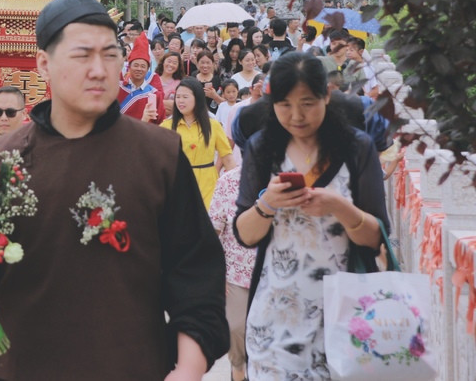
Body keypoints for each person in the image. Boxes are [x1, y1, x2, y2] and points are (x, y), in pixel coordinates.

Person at [0, 0, 228, 380]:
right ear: (44, 64)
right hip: (20, 368)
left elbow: (196, 271)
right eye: (82, 55)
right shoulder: (1, 159)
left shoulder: (158, 154)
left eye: (110, 55)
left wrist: (190, 368)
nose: (99, 70)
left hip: (131, 365)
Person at [233, 52, 388, 380]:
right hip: (275, 321)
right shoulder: (262, 148)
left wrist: (339, 207)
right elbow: (244, 235)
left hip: (347, 319)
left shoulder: (356, 147)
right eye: (284, 105)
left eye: (307, 103)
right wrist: (267, 204)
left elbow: (377, 237)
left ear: (327, 96)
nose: (296, 115)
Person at [208, 164, 256, 381]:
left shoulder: (284, 179)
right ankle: (238, 371)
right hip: (235, 274)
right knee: (235, 327)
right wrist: (214, 274)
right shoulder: (228, 181)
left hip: (273, 275)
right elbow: (213, 231)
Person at [162, 78, 235, 208]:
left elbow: (227, 158)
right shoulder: (166, 126)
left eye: (185, 97)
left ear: (197, 98)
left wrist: (236, 188)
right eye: (177, 97)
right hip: (178, 184)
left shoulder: (213, 125)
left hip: (208, 184)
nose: (180, 101)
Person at [118, 33, 165, 124]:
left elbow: (161, 122)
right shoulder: (117, 88)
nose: (139, 69)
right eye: (136, 65)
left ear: (148, 69)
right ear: (129, 67)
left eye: (143, 66)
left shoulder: (154, 94)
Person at [155, 50, 185, 118]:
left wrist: (156, 103)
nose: (171, 65)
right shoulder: (153, 79)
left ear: (178, 66)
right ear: (163, 62)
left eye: (175, 63)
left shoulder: (179, 84)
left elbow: (176, 106)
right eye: (169, 61)